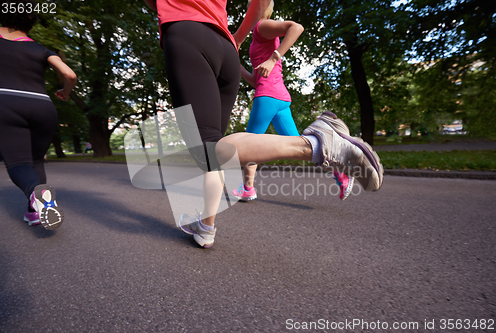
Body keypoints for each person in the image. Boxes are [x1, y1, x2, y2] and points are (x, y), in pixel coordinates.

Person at [144, 0, 383, 248]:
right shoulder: (255, 30)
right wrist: (236, 38)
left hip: (186, 33)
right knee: (214, 151)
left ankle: (318, 143)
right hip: (225, 49)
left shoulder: (265, 28)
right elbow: (260, 2)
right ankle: (206, 227)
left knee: (208, 147)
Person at [230, 1, 354, 202]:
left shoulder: (262, 26)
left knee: (250, 143)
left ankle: (247, 188)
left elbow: (297, 27)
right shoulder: (258, 34)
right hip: (278, 97)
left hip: (268, 97)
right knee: (302, 147)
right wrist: (237, 65)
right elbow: (255, 80)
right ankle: (339, 171)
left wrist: (273, 58)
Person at [0, 0, 77, 229]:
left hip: (4, 103)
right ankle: (36, 211)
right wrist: (65, 92)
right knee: (36, 160)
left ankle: (35, 195)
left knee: (19, 163)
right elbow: (69, 74)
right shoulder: (41, 48)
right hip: (42, 106)